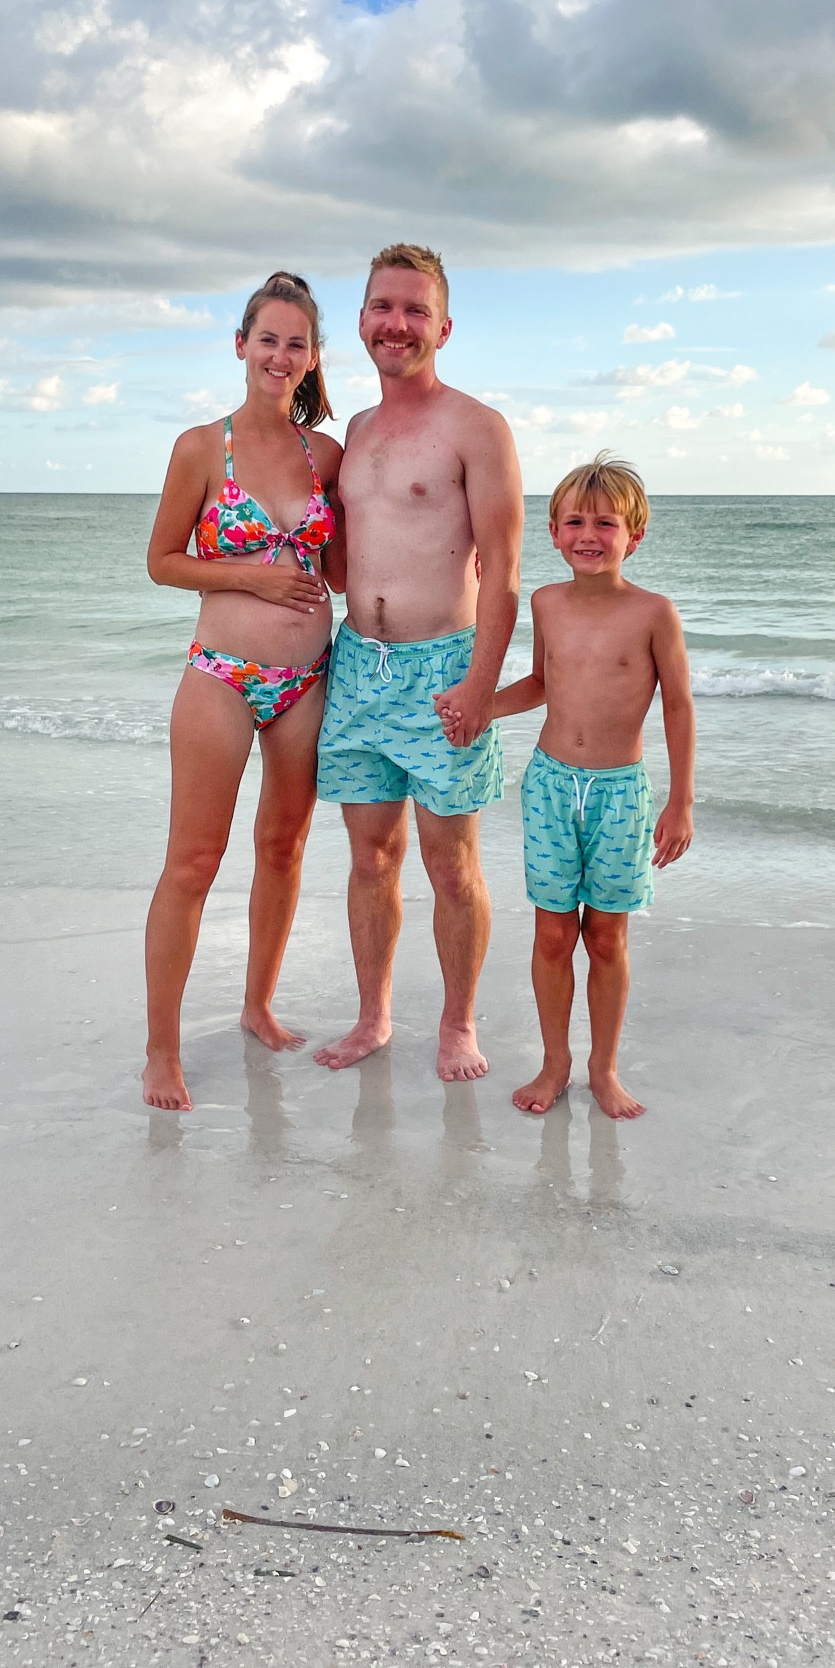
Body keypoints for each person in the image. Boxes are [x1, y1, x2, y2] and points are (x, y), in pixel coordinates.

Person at [312, 243, 523, 1083]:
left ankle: (459, 1024)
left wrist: (481, 686)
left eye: (413, 309)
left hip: (445, 671)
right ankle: (373, 1017)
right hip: (357, 670)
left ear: (443, 325)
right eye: (381, 307)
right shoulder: (355, 433)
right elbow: (341, 555)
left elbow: (503, 573)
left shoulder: (477, 428)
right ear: (361, 320)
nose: (395, 323)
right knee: (370, 858)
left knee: (450, 862)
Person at [142, 271, 344, 1111]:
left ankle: (257, 1004)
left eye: (296, 343)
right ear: (241, 345)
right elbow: (162, 561)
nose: (280, 354)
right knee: (193, 860)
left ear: (311, 358)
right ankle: (161, 1050)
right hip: (221, 675)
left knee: (284, 847)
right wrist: (254, 583)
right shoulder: (201, 447)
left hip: (308, 679)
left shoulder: (324, 455)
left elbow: (342, 567)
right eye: (268, 339)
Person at [459, 453, 694, 1119]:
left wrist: (680, 801)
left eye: (605, 524)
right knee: (555, 935)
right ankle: (555, 1062)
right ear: (555, 533)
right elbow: (541, 682)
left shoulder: (653, 613)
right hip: (551, 784)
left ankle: (604, 1068)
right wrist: (484, 707)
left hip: (621, 791)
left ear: (633, 536)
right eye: (574, 522)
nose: (588, 534)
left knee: (608, 939)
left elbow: (678, 705)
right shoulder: (546, 602)